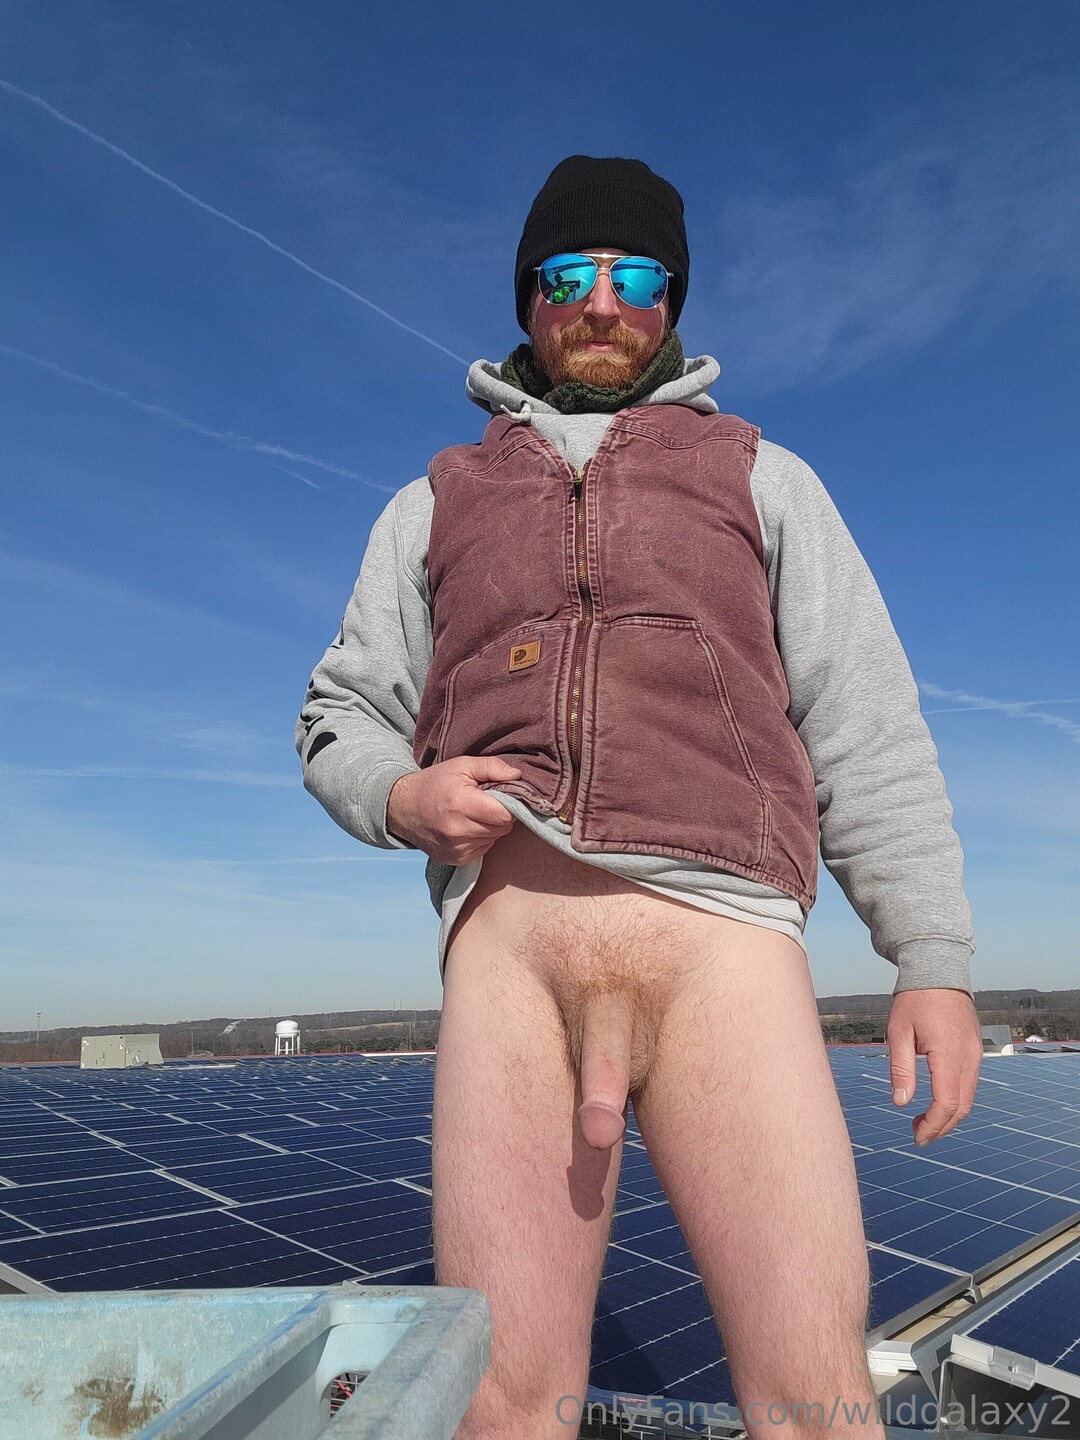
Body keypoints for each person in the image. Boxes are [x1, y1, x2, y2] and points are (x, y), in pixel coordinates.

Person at [296, 156, 984, 1439]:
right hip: (509, 973)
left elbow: (866, 723)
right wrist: (398, 794)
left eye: (635, 277)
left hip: (727, 956)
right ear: (529, 297)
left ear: (672, 301)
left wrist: (930, 958)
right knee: (501, 1405)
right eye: (568, 277)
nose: (601, 304)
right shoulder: (431, 502)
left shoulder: (764, 477)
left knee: (816, 1401)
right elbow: (340, 712)